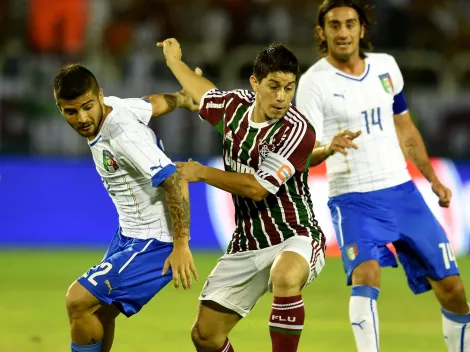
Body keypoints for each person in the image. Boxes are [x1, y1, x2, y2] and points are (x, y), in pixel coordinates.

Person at [296, 1, 470, 351]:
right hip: (353, 197)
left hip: (403, 193)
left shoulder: (386, 67)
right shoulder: (313, 82)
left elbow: (405, 127)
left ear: (362, 29)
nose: (343, 32)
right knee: (366, 275)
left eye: (349, 24)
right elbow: (302, 153)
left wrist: (433, 180)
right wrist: (328, 149)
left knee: (452, 288)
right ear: (322, 32)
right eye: (334, 25)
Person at [157, 38, 327, 352]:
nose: (281, 97)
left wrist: (202, 173)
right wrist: (174, 62)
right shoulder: (234, 107)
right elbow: (203, 91)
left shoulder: (298, 130)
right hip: (247, 242)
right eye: (273, 86)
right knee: (205, 336)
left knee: (286, 276)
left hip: (295, 234)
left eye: (289, 88)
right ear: (255, 83)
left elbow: (257, 188)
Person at [53, 64, 200, 352]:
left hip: (156, 242)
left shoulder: (123, 136)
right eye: (71, 111)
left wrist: (181, 245)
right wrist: (181, 99)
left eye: (87, 107)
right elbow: (152, 104)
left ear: (100, 96)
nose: (82, 118)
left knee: (77, 300)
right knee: (99, 311)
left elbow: (174, 179)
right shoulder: (116, 107)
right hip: (129, 234)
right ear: (60, 109)